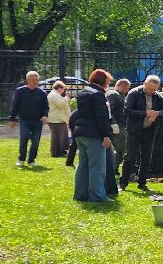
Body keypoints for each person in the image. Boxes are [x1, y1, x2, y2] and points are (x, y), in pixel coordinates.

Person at [119, 75, 163, 193]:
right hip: (134, 130)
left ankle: (142, 183)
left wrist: (157, 114)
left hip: (149, 130)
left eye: (154, 89)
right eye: (150, 89)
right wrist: (145, 113)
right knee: (130, 156)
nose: (152, 92)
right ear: (144, 84)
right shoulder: (134, 93)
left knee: (146, 158)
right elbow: (127, 111)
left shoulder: (157, 96)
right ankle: (123, 183)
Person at [70, 69, 116, 203]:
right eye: (107, 81)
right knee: (97, 167)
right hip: (94, 134)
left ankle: (81, 195)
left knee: (83, 166)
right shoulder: (98, 95)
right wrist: (106, 136)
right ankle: (97, 196)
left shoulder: (83, 92)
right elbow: (101, 117)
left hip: (80, 133)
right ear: (103, 81)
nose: (108, 83)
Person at [8, 71, 48, 167]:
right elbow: (15, 105)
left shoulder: (42, 93)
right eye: (33, 80)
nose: (35, 81)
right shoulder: (20, 91)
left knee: (36, 141)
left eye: (37, 80)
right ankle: (21, 159)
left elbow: (45, 107)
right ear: (28, 80)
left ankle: (31, 160)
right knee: (24, 138)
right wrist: (12, 119)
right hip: (24, 119)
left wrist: (44, 115)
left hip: (38, 120)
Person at [107, 79, 131, 163]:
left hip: (120, 125)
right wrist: (113, 123)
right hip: (117, 126)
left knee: (120, 149)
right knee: (123, 148)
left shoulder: (117, 94)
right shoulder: (113, 94)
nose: (128, 90)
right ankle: (126, 170)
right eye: (127, 88)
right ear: (122, 86)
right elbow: (109, 109)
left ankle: (114, 169)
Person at [46, 80, 72, 158]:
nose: (63, 91)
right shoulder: (54, 94)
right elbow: (61, 104)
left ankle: (62, 150)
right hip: (56, 119)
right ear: (59, 88)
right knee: (57, 137)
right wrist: (67, 97)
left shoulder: (56, 94)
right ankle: (56, 152)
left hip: (59, 119)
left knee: (62, 136)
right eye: (63, 89)